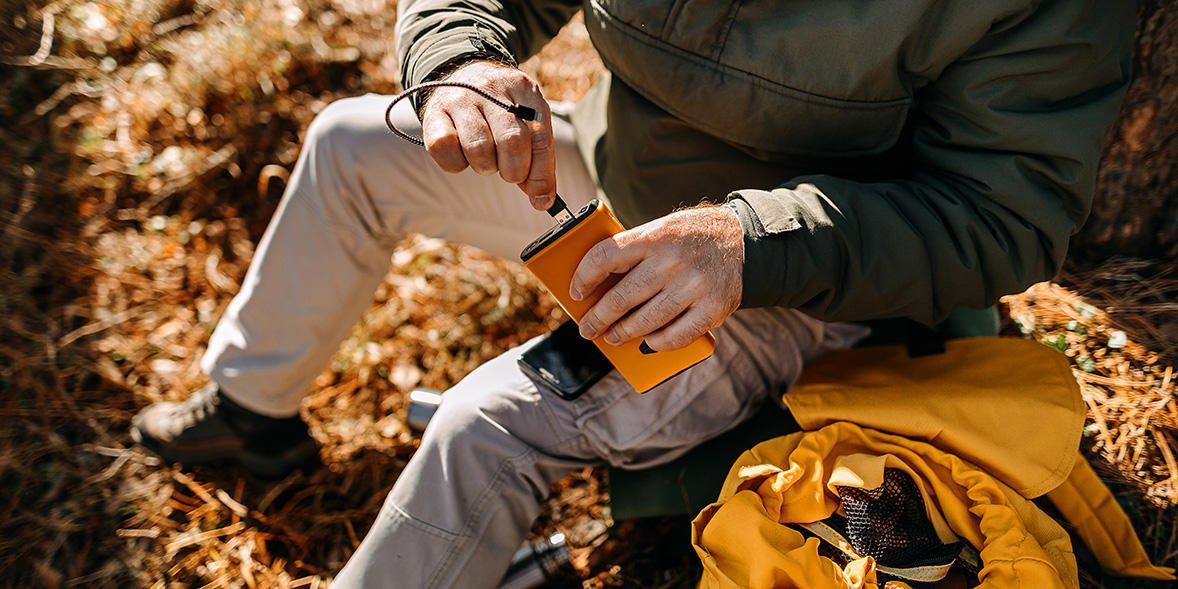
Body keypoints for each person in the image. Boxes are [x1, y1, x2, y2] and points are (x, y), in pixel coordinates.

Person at [131, 0, 1135, 586]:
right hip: (619, 179)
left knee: (488, 426)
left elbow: (1003, 215)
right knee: (355, 143)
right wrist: (459, 58)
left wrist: (746, 241)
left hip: (809, 279)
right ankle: (252, 412)